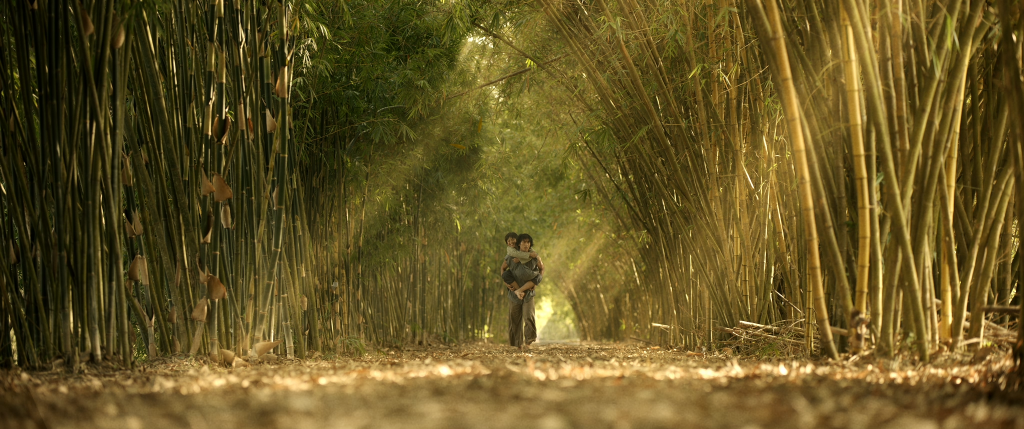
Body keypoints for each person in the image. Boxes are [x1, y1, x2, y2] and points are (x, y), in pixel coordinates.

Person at [500, 233, 544, 348]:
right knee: (514, 318)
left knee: (528, 316)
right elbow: (503, 269)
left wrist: (536, 283)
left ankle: (528, 342)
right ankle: (516, 345)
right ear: (519, 244)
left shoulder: (534, 256)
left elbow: (542, 268)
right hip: (514, 293)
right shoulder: (510, 257)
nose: (526, 244)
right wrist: (506, 283)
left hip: (528, 293)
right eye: (524, 242)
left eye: (528, 242)